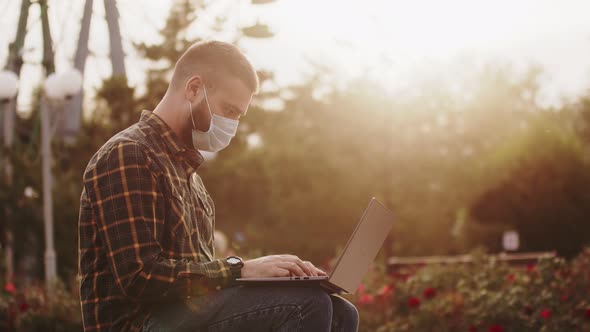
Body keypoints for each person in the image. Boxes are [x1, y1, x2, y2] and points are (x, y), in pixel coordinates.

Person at [78, 40, 359, 332]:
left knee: (341, 313)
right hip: (138, 324)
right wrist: (241, 269)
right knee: (306, 303)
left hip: (180, 318)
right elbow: (140, 276)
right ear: (194, 88)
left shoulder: (192, 180)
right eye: (229, 109)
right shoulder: (129, 154)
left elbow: (200, 283)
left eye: (238, 115)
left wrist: (262, 275)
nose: (232, 124)